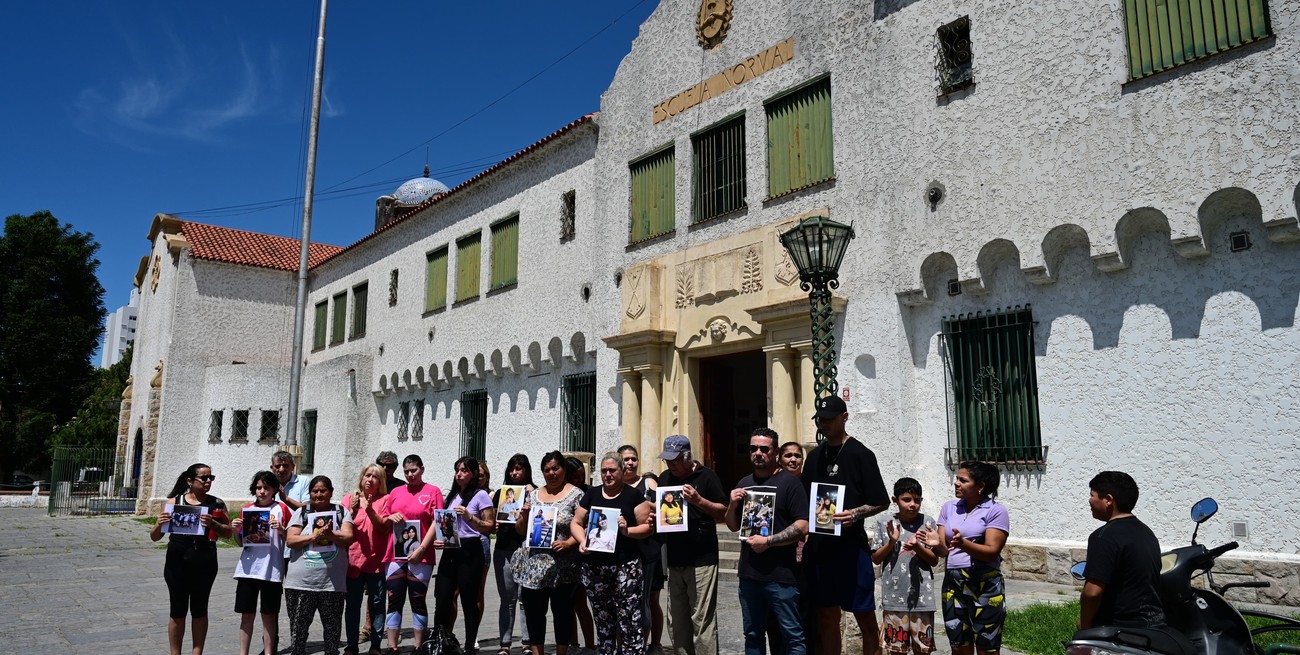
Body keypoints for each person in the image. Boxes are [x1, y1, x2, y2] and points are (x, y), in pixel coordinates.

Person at [802, 396, 891, 655]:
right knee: (827, 616)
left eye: (830, 418)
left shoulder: (861, 454)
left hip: (852, 550)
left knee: (865, 617)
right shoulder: (815, 457)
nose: (825, 423)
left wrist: (854, 514)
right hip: (821, 549)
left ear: (845, 417)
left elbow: (881, 501)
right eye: (821, 419)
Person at [725, 429, 809, 655]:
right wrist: (732, 505)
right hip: (749, 575)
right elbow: (733, 526)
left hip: (781, 577)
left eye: (764, 449)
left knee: (792, 636)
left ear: (776, 453)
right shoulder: (744, 483)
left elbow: (803, 525)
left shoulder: (790, 484)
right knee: (752, 636)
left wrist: (769, 541)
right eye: (753, 449)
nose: (758, 453)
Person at [572, 453, 655, 655]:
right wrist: (583, 542)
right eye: (604, 471)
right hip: (595, 569)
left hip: (625, 568)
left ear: (621, 471)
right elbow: (576, 522)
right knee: (603, 620)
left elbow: (647, 528)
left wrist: (627, 531)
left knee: (629, 621)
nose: (607, 475)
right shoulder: (592, 494)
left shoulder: (633, 496)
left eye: (612, 470)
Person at [926, 461, 1009, 655]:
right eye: (957, 478)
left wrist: (964, 544)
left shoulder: (996, 511)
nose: (956, 483)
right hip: (953, 583)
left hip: (984, 584)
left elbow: (991, 551)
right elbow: (945, 551)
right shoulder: (949, 507)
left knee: (986, 646)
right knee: (959, 644)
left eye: (963, 480)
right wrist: (937, 544)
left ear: (981, 486)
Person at [655, 435, 728, 655]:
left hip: (701, 558)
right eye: (667, 460)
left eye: (675, 460)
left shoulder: (706, 477)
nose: (671, 464)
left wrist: (698, 500)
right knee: (676, 620)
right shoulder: (665, 478)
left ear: (687, 456)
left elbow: (723, 512)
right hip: (675, 558)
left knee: (701, 619)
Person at [150, 463, 233, 655]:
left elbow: (229, 533)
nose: (207, 482)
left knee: (199, 609)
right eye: (203, 478)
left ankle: (197, 652)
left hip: (204, 562)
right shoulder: (174, 502)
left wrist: (213, 523)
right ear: (190, 481)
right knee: (177, 611)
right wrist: (159, 524)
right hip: (177, 563)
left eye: (210, 478)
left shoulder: (217, 504)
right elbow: (155, 536)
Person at [512, 451, 585, 655]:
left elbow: (584, 526)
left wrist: (569, 543)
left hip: (563, 567)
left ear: (563, 469)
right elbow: (521, 530)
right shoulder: (533, 495)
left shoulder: (576, 494)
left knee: (562, 613)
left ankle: (562, 652)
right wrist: (524, 516)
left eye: (555, 468)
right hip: (534, 567)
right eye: (547, 470)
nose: (551, 473)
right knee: (535, 613)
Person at [1076, 471, 1165, 630]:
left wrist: (1084, 625)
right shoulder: (1146, 532)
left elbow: (1092, 592)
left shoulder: (1103, 537)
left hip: (1118, 628)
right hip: (1153, 625)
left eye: (1092, 495)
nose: (1089, 500)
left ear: (1108, 500)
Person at [285, 475, 356, 655]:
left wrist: (331, 535)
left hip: (331, 585)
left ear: (331, 492)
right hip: (301, 583)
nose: (318, 495)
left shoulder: (341, 512)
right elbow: (291, 540)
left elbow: (348, 538)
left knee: (332, 636)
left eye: (323, 490)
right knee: (298, 635)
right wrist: (313, 537)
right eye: (314, 491)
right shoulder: (302, 512)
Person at [383, 454, 446, 654]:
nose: (410, 475)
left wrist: (421, 549)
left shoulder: (433, 491)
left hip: (421, 555)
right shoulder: (395, 491)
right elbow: (384, 517)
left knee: (417, 599)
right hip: (395, 554)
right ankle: (392, 645)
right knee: (394, 598)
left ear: (422, 469)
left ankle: (419, 647)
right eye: (407, 471)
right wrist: (390, 516)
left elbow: (438, 521)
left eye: (414, 471)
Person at [434, 456, 497, 653]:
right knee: (442, 597)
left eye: (464, 470)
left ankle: (470, 645)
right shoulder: (452, 495)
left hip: (471, 549)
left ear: (473, 474)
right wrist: (441, 539)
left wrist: (470, 517)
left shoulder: (481, 496)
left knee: (469, 599)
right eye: (457, 470)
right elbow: (446, 523)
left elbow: (490, 526)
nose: (459, 474)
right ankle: (441, 641)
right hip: (451, 549)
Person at [871, 478, 939, 655]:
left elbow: (934, 560)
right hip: (894, 598)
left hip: (922, 599)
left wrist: (918, 547)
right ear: (895, 500)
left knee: (923, 649)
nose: (913, 505)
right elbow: (876, 558)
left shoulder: (928, 522)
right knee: (896, 650)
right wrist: (891, 542)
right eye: (907, 499)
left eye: (917, 500)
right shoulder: (885, 522)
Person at [231, 470, 291, 655]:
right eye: (258, 488)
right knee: (246, 614)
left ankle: (268, 652)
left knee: (269, 615)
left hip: (271, 570)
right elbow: (241, 542)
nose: (262, 491)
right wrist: (235, 530)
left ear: (274, 489)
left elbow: (291, 539)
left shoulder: (281, 509)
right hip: (248, 570)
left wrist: (281, 529)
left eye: (266, 487)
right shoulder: (248, 509)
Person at [619, 444, 665, 655]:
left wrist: (646, 504)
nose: (630, 462)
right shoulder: (614, 486)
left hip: (649, 550)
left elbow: (666, 508)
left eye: (633, 459)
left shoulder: (647, 483)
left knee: (649, 600)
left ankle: (651, 645)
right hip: (624, 551)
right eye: (626, 459)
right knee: (624, 601)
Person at [343, 464, 391, 655]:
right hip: (354, 561)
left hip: (376, 561)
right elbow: (343, 528)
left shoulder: (386, 500)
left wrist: (369, 509)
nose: (370, 479)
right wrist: (353, 511)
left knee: (378, 604)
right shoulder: (349, 498)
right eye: (367, 475)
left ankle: (376, 645)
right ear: (361, 478)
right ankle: (352, 645)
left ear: (381, 482)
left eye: (376, 477)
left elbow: (382, 528)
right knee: (352, 605)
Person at [494, 454, 536, 655]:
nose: (514, 473)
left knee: (524, 597)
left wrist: (533, 493)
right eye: (512, 469)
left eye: (519, 469)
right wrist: (493, 524)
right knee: (507, 598)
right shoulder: (500, 493)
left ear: (526, 470)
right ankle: (505, 643)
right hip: (503, 548)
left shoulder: (535, 492)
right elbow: (491, 519)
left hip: (526, 548)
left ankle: (527, 642)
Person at [567, 456, 598, 655]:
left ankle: (590, 645)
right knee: (566, 604)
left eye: (581, 476)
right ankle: (572, 644)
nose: (579, 480)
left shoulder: (588, 493)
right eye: (574, 476)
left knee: (581, 602)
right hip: (563, 554)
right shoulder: (561, 492)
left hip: (583, 553)